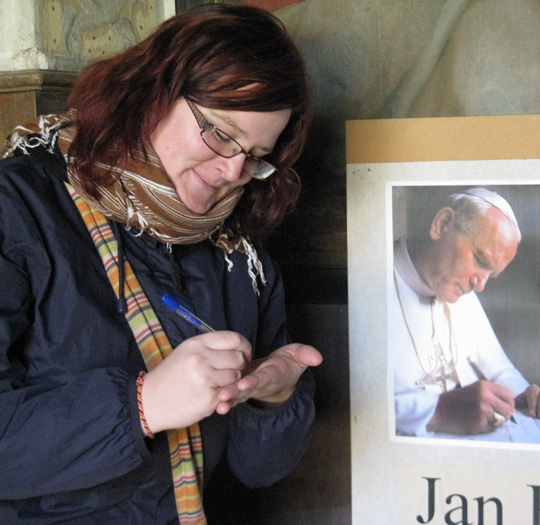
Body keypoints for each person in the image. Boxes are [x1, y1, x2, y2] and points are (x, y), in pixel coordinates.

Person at [0, 5, 322, 523]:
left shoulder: (239, 249)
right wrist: (142, 406)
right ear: (151, 94)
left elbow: (257, 471)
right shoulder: (19, 208)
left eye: (255, 155)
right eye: (221, 133)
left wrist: (275, 397)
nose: (232, 171)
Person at [390, 188, 540, 437]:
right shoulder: (368, 277)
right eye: (480, 261)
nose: (480, 285)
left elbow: (499, 368)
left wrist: (526, 396)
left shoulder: (460, 291)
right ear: (442, 225)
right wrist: (437, 410)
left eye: (491, 275)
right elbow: (354, 399)